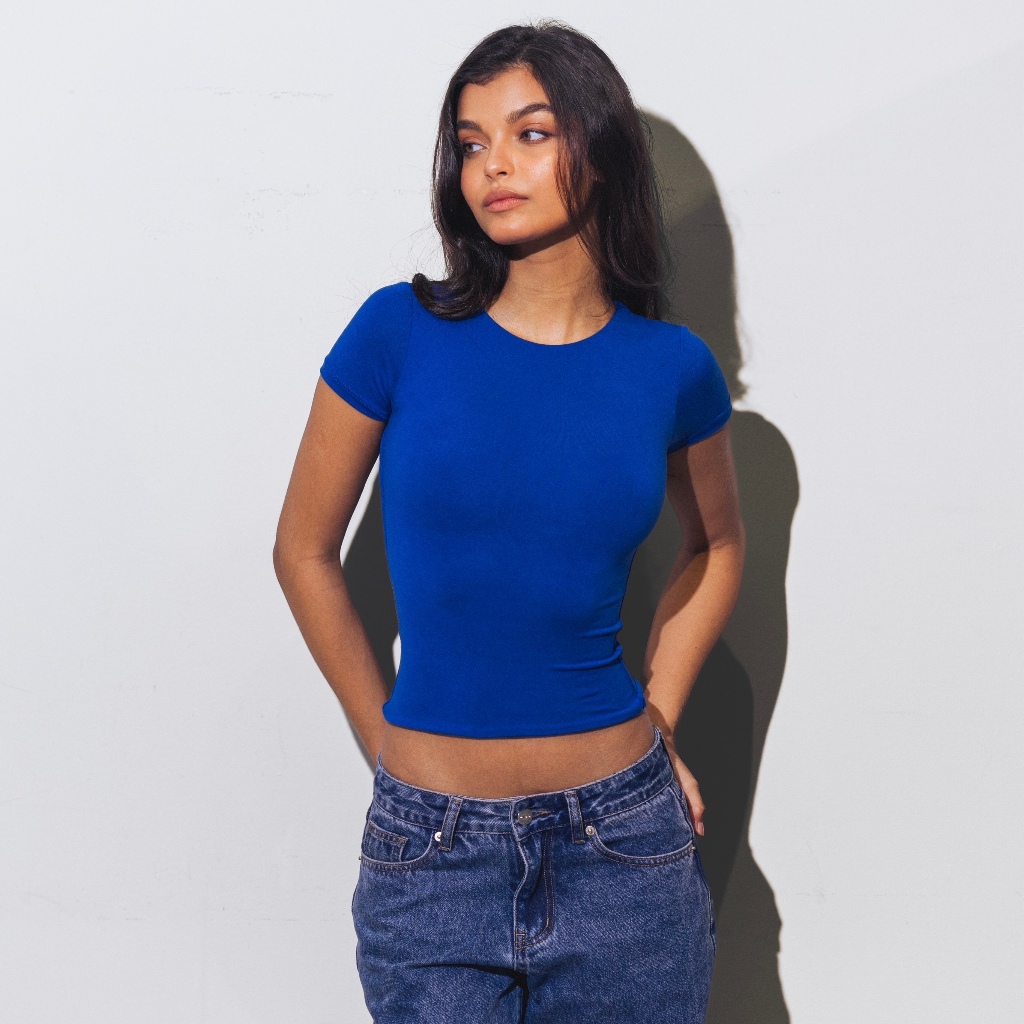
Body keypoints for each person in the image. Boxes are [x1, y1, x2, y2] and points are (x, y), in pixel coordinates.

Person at [273, 19, 745, 1023]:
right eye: (471, 141)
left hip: (627, 849)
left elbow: (715, 546)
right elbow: (302, 550)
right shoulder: (395, 332)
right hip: (431, 858)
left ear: (599, 148)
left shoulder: (671, 368)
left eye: (530, 133)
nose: (493, 164)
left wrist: (660, 716)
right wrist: (387, 745)